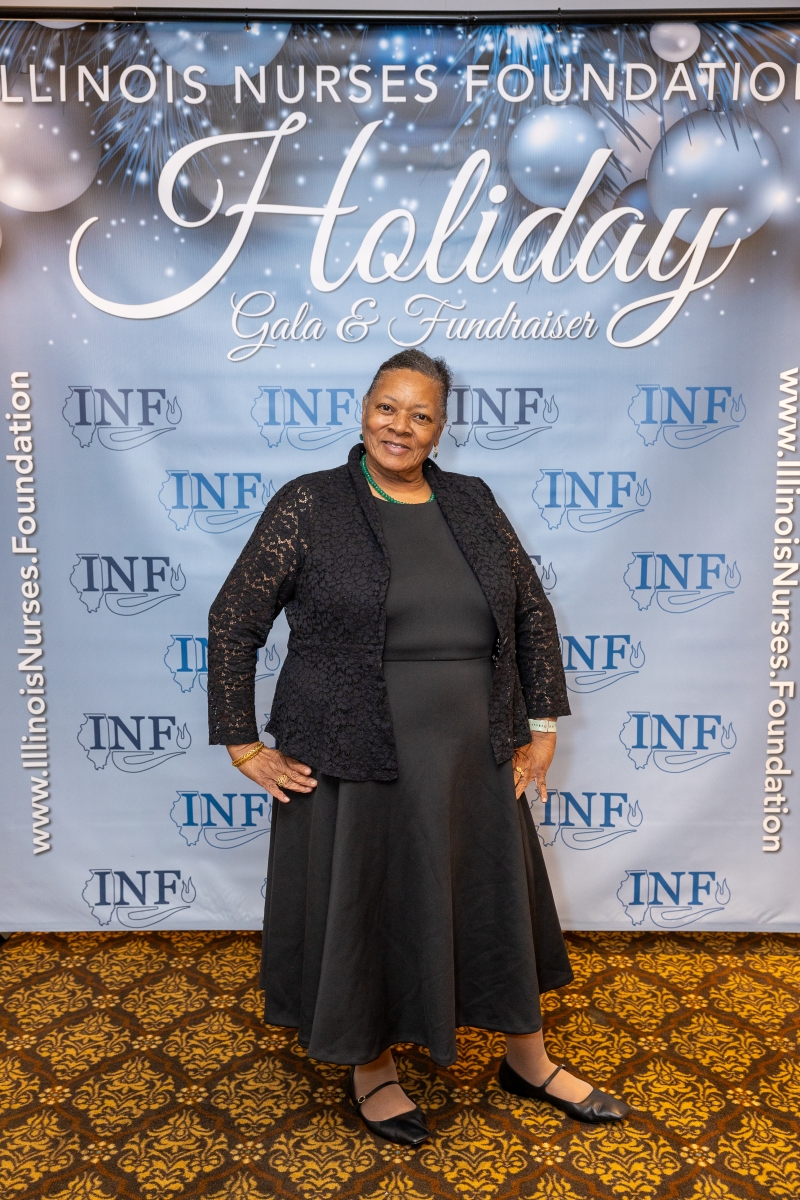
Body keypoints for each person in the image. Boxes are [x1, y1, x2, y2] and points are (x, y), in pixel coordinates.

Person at [207, 348, 629, 1145]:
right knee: (367, 905)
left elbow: (530, 614)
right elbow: (233, 620)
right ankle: (371, 1067)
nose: (400, 426)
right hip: (351, 750)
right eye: (387, 407)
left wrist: (541, 730)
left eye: (421, 414)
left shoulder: (472, 500)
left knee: (492, 904)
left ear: (441, 429)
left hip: (472, 754)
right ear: (364, 410)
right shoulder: (310, 502)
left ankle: (528, 1060)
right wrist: (240, 743)